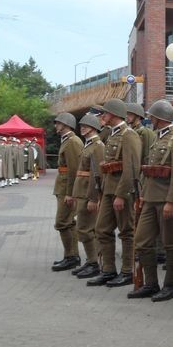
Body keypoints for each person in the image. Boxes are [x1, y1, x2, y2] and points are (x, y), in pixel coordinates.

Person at [127, 100, 173, 301]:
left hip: (166, 200)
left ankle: (169, 286)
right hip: (151, 198)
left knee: (171, 244)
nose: (149, 119)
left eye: (152, 116)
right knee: (143, 241)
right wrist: (143, 194)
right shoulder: (156, 137)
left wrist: (172, 201)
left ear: (159, 118)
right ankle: (151, 284)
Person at [88, 99, 142, 287]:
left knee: (127, 232)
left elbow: (131, 168)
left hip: (122, 192)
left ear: (115, 114)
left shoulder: (129, 135)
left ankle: (127, 271)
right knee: (102, 229)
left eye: (106, 113)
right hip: (109, 190)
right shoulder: (112, 135)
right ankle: (108, 270)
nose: (102, 116)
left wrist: (121, 194)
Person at [70, 114, 105, 280]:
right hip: (82, 192)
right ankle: (91, 261)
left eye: (86, 125)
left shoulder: (97, 146)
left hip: (88, 193)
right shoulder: (88, 144)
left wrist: (93, 197)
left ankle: (94, 263)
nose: (82, 127)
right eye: (82, 125)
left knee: (86, 229)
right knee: (83, 229)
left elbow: (97, 174)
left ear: (94, 127)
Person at [51, 113, 84, 272]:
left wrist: (71, 193)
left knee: (62, 222)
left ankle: (71, 257)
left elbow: (74, 169)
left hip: (67, 189)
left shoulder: (72, 142)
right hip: (63, 187)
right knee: (68, 222)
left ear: (66, 124)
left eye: (58, 123)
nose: (55, 125)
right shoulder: (67, 141)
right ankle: (71, 256)